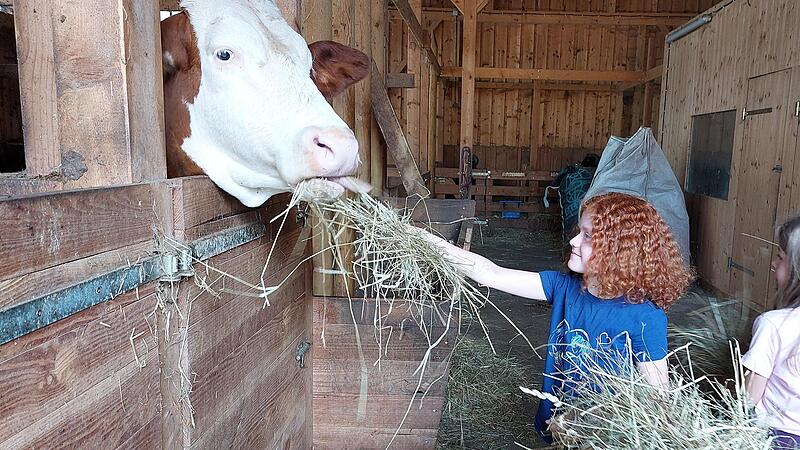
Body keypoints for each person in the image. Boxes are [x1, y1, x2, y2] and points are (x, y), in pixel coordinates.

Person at [414, 192, 694, 442]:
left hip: (601, 437)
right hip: (557, 422)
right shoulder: (564, 287)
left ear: (618, 250)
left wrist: (590, 425)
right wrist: (424, 241)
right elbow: (491, 273)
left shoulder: (645, 318)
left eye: (586, 235)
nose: (573, 240)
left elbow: (656, 398)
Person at [743, 215, 800, 449]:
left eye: (780, 257)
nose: (773, 264)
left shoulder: (773, 324)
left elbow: (748, 398)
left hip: (777, 437)